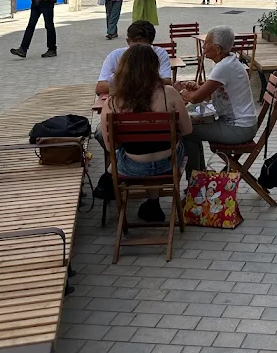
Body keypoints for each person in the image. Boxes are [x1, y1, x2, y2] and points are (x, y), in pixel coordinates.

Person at [101, 44, 192, 222]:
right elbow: (188, 130)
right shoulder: (169, 93)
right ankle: (153, 202)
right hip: (168, 165)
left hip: (133, 168)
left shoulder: (113, 102)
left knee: (120, 152)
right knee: (177, 143)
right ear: (154, 67)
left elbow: (110, 145)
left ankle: (109, 178)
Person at [179, 25, 258, 172]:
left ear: (217, 49)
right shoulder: (229, 62)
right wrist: (198, 88)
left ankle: (195, 180)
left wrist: (181, 93)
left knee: (186, 130)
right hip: (241, 124)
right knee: (190, 127)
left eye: (207, 43)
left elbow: (196, 99)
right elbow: (207, 95)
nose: (203, 47)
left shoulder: (224, 67)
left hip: (238, 128)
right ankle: (199, 175)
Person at [96, 20, 173, 95]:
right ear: (128, 41)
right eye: (136, 45)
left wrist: (126, 85)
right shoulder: (115, 55)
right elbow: (100, 87)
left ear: (151, 43)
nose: (139, 51)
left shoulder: (160, 54)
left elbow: (167, 82)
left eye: (144, 47)